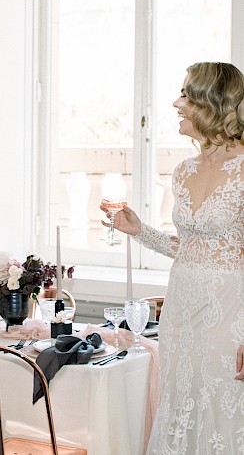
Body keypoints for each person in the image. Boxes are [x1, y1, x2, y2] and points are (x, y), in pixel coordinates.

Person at [102, 62, 243, 454]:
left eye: (187, 95)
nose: (177, 103)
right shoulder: (183, 172)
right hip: (181, 311)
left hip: (229, 314)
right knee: (181, 407)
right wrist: (140, 230)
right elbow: (194, 248)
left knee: (223, 411)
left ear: (214, 103)